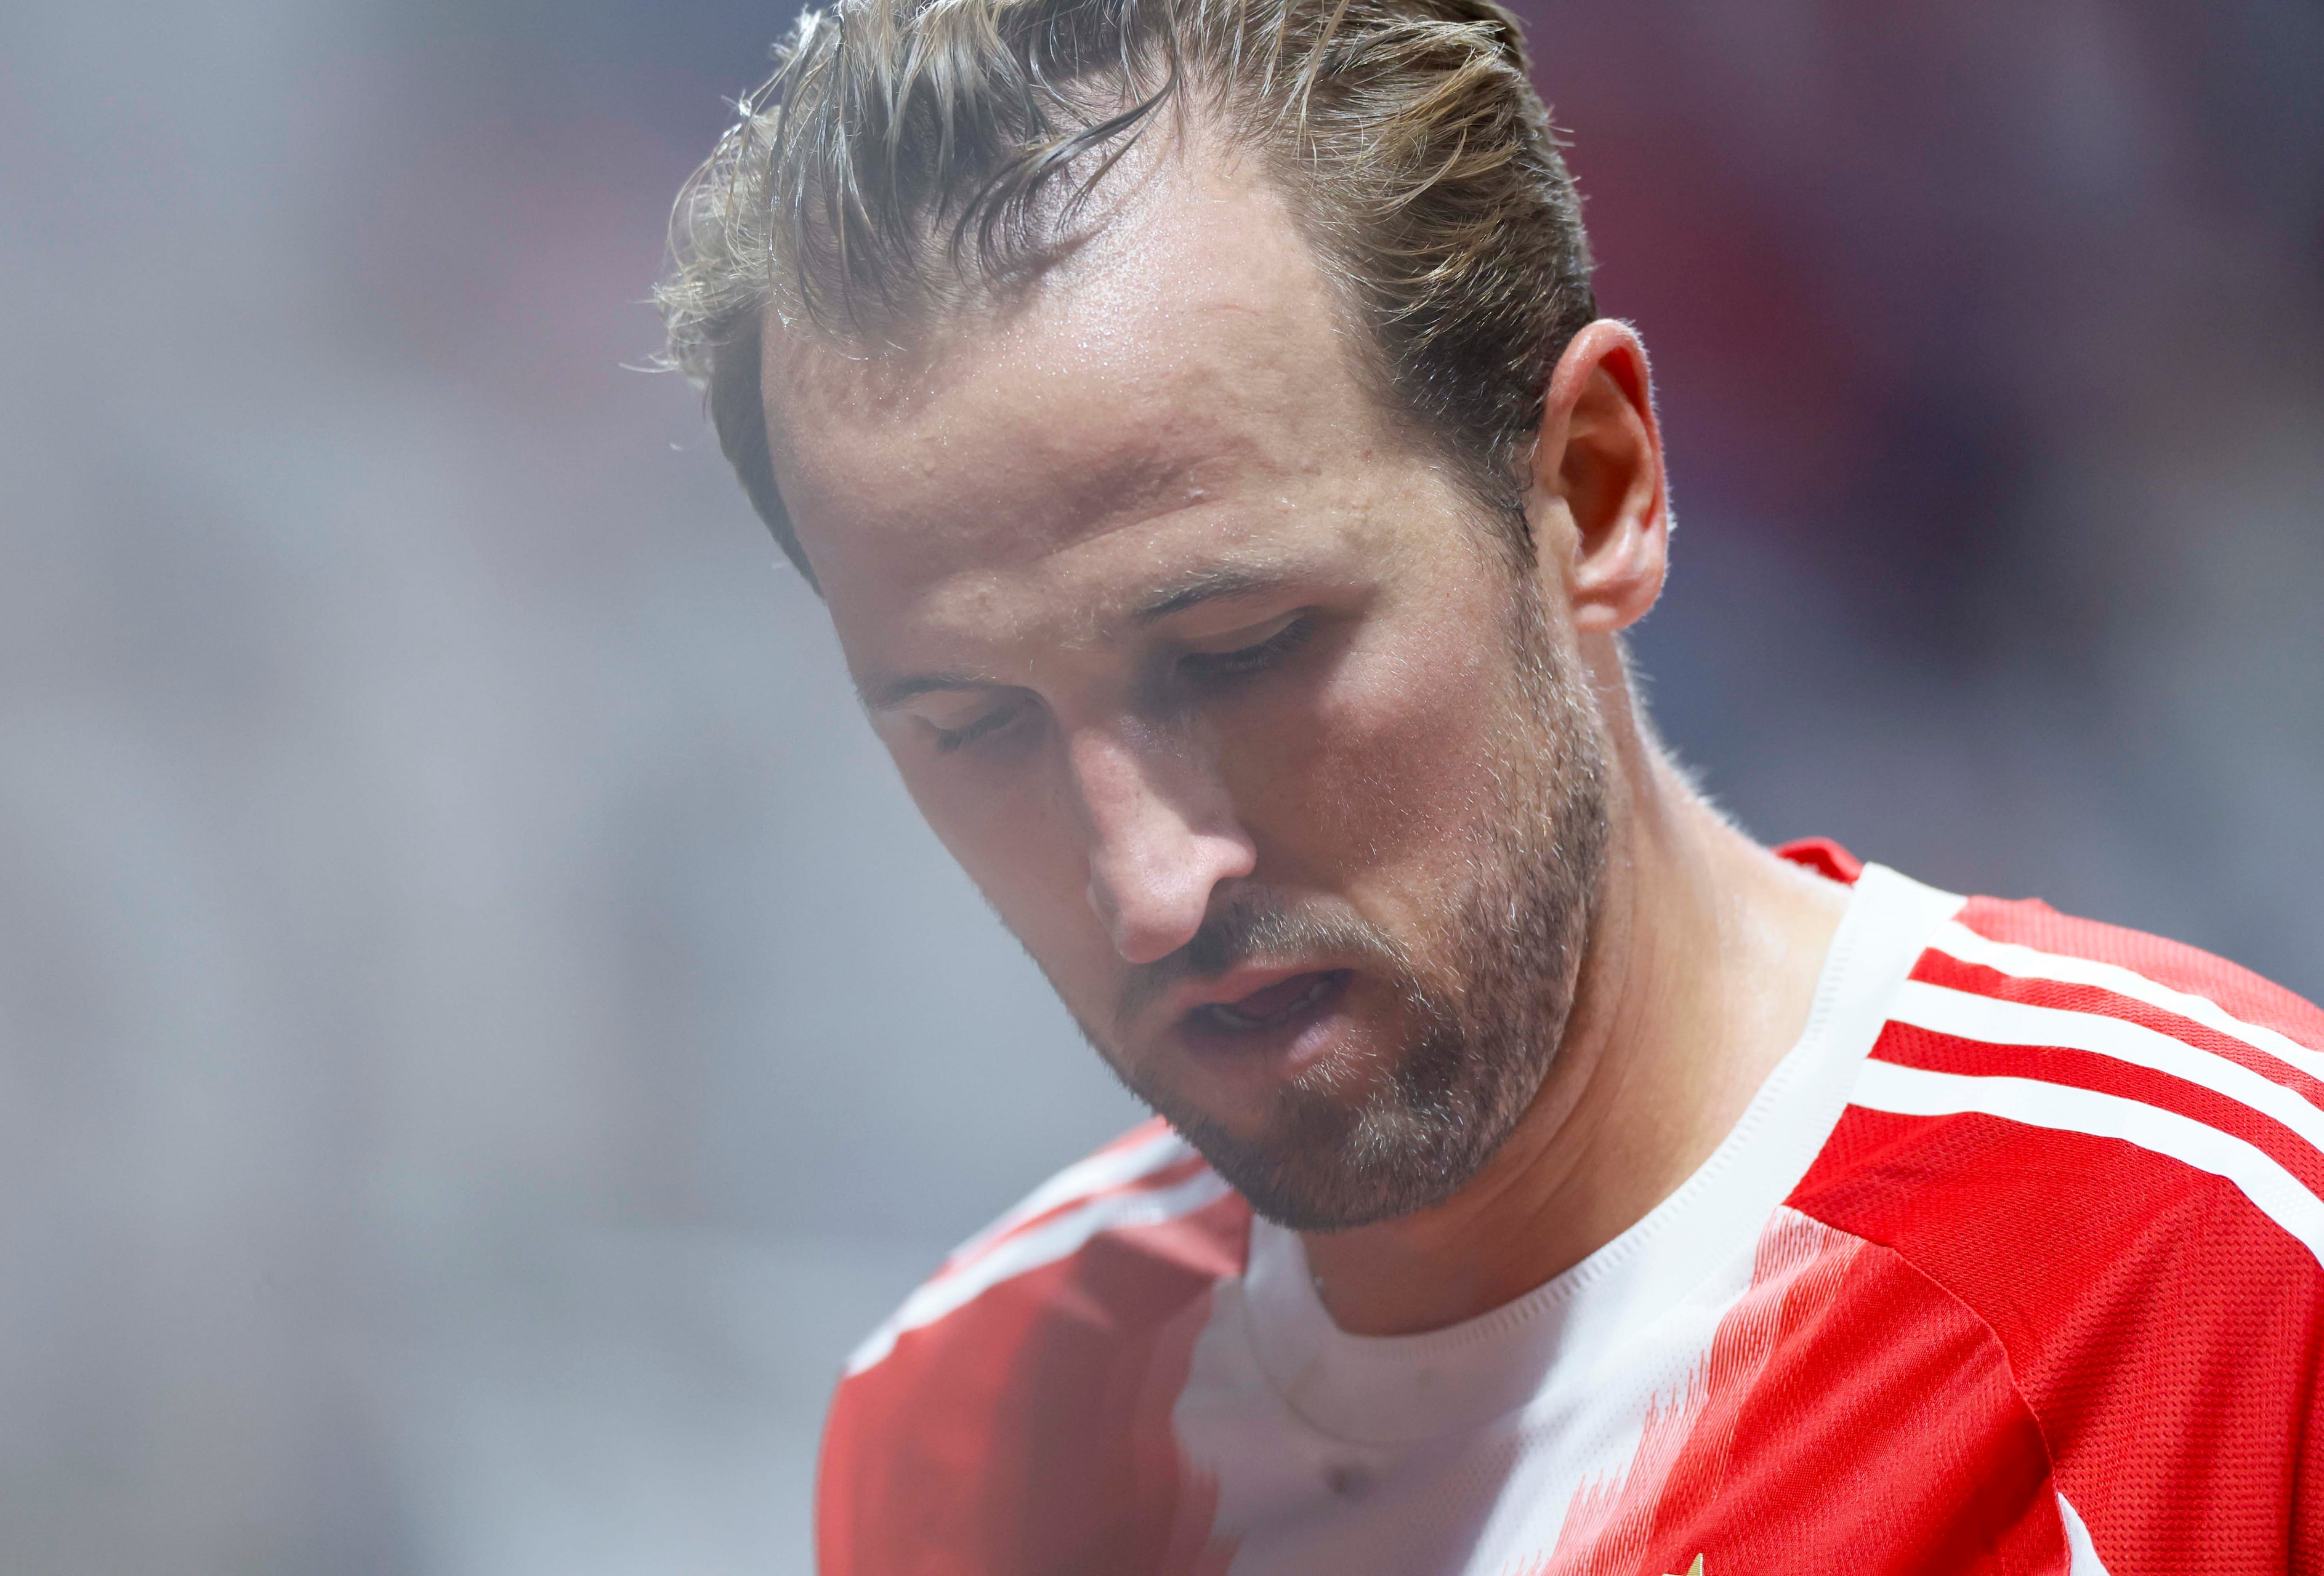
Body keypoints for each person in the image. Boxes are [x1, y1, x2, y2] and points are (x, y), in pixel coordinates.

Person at [656, 0, 2324, 1569]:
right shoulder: (964, 1445)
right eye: (973, 727)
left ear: (1595, 489)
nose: (1148, 883)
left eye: (1242, 648)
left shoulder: (2228, 1283)